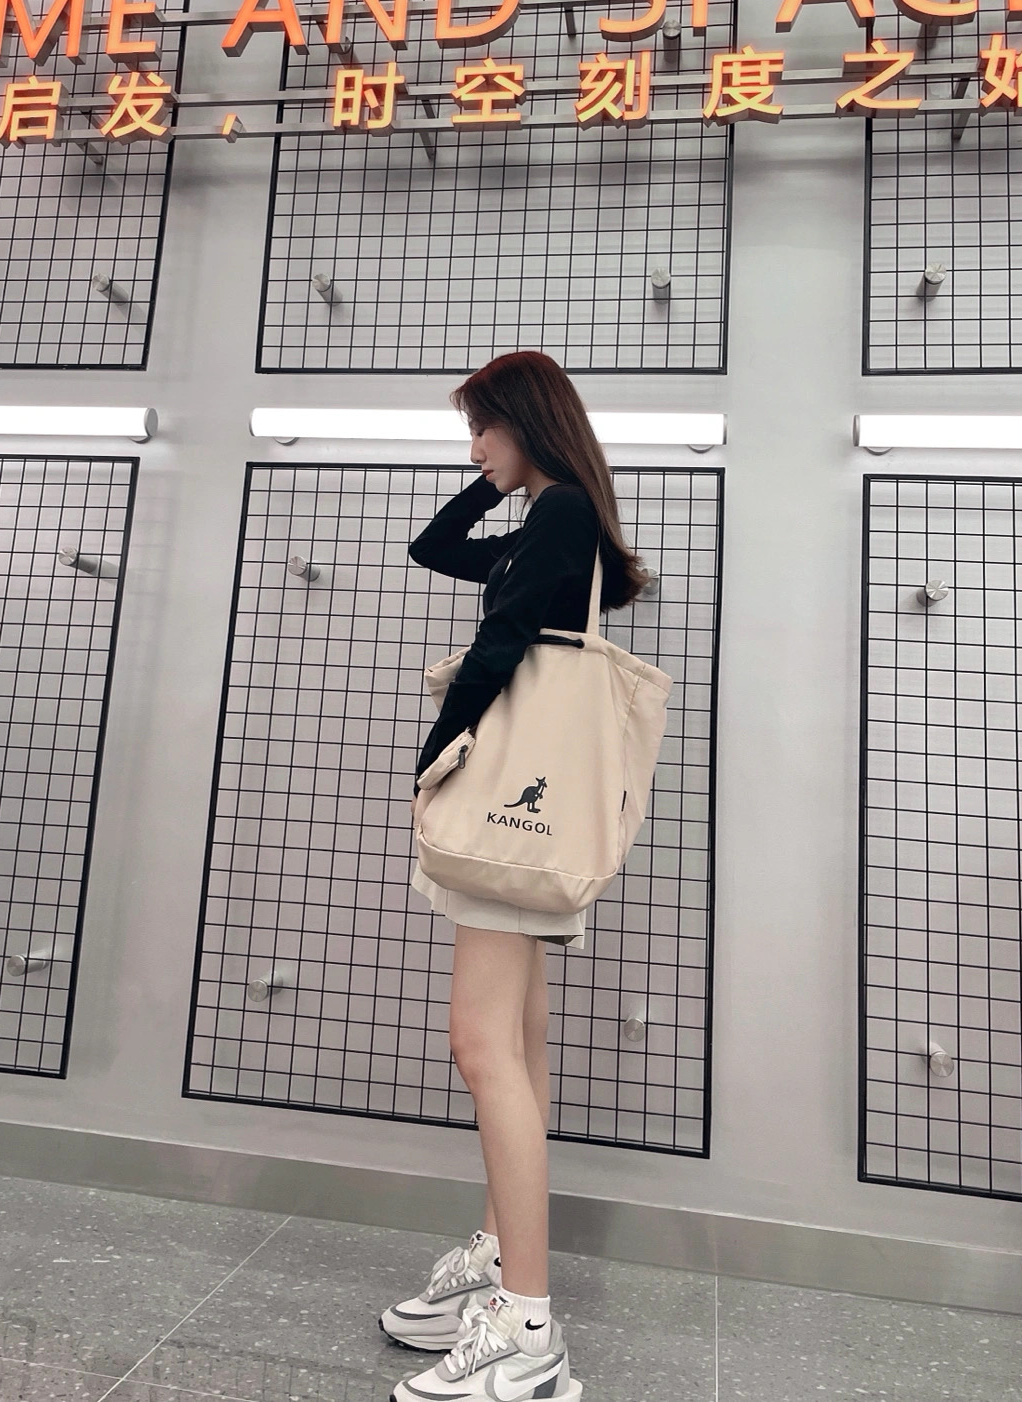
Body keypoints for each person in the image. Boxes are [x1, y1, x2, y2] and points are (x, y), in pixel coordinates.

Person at [381, 350, 649, 1402]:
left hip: (505, 814)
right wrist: (496, 479)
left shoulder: (563, 511)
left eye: (482, 428)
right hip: (523, 825)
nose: (472, 448)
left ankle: (526, 1328)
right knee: (518, 1043)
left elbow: (499, 646)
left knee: (479, 1041)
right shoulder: (550, 514)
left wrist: (438, 754)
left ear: (525, 421)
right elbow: (433, 548)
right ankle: (500, 1264)